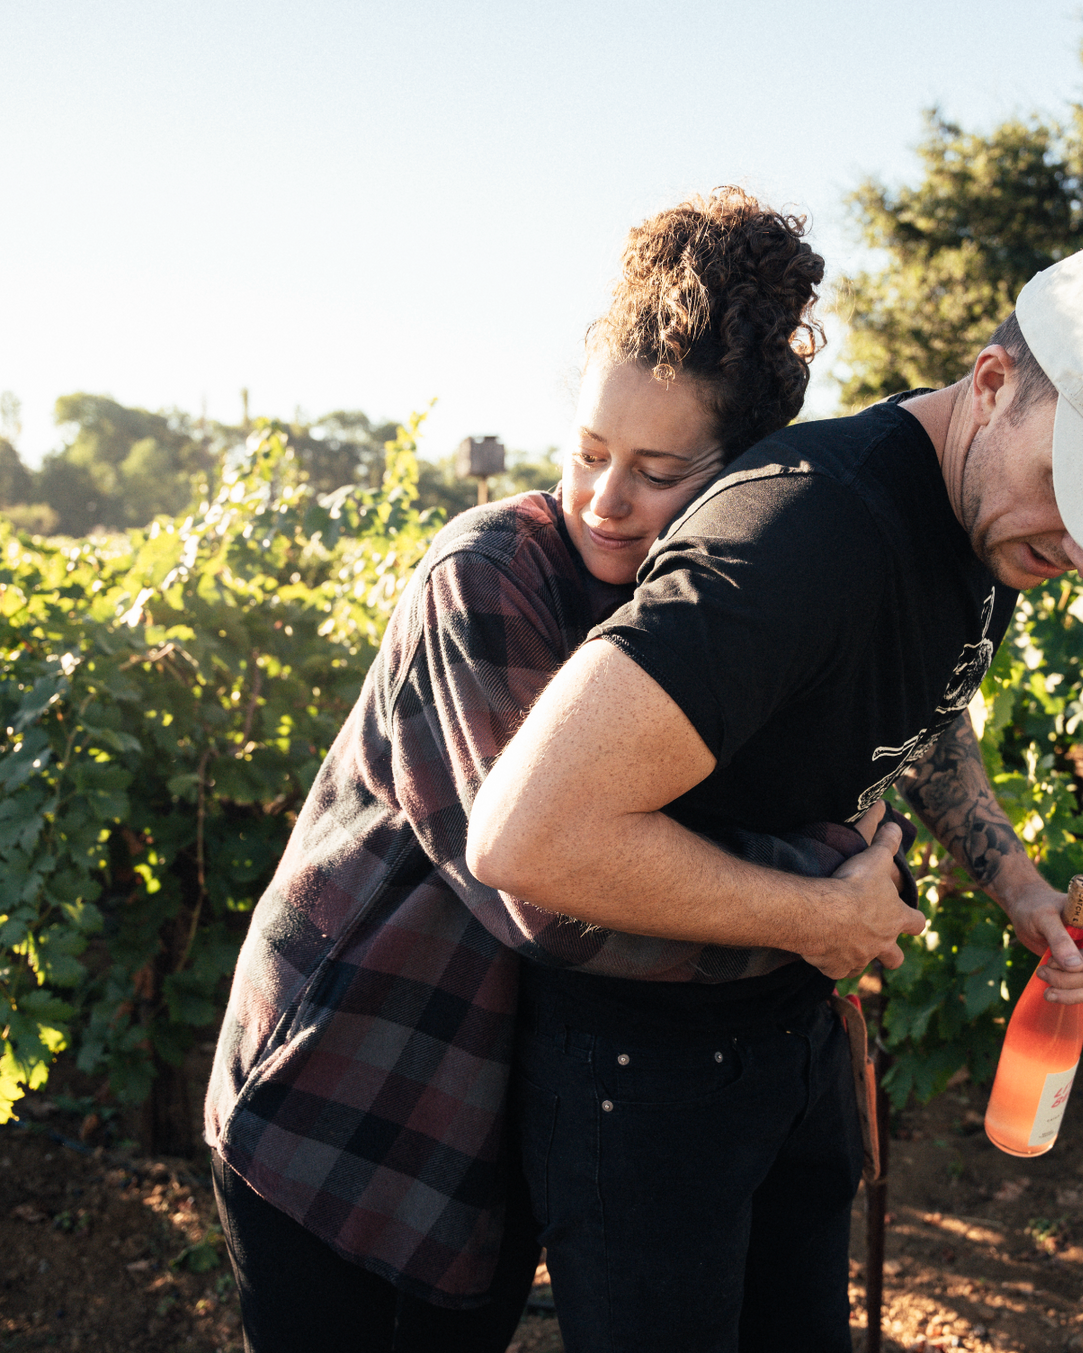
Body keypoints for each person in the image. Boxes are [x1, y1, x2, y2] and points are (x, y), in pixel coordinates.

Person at [467, 239, 1083, 1352]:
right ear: (992, 386)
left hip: (782, 1031)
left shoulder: (986, 518)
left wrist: (1020, 890)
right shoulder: (799, 537)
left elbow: (928, 709)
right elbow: (526, 834)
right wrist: (818, 917)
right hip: (646, 1074)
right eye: (1075, 495)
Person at [203, 188, 902, 1352]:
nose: (605, 501)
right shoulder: (487, 581)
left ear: (743, 477)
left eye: (659, 470)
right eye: (586, 453)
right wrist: (822, 908)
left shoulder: (707, 606)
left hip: (488, 1133)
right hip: (349, 1101)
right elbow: (548, 890)